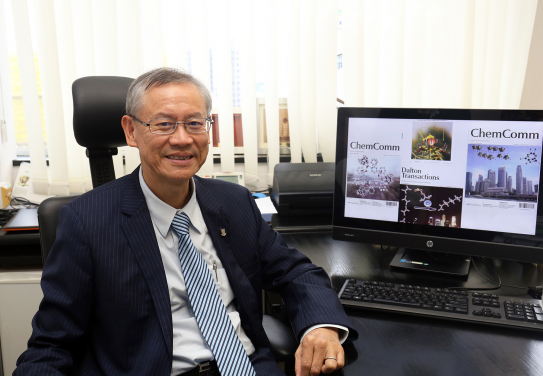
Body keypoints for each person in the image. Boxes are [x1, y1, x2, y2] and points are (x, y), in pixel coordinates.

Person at [14, 68, 357, 376]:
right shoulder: (87, 222)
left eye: (194, 123)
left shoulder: (233, 202)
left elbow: (298, 273)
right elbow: (52, 344)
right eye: (163, 124)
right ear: (131, 131)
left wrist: (321, 328)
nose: (182, 138)